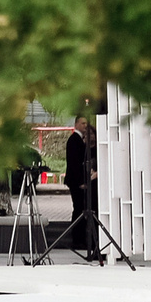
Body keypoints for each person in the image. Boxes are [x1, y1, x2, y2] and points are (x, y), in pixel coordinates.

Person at [63, 112, 101, 263]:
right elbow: (75, 163)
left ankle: (81, 238)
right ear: (76, 124)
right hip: (76, 181)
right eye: (83, 123)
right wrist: (81, 181)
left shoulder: (78, 140)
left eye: (87, 124)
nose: (85, 126)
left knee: (80, 207)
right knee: (78, 208)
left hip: (78, 180)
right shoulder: (75, 140)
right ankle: (77, 238)